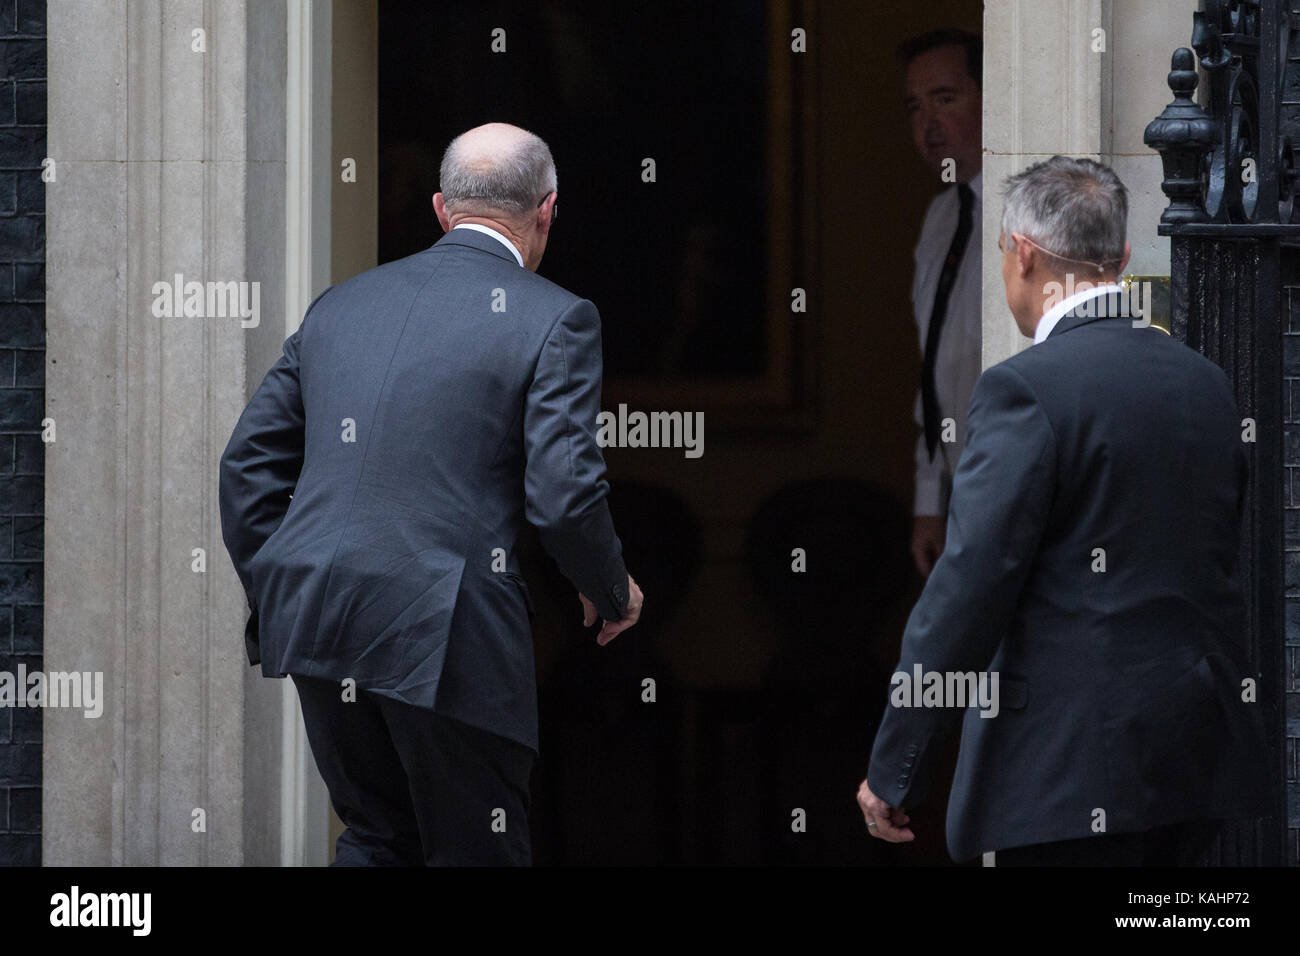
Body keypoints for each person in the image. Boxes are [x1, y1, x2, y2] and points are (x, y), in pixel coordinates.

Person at [219, 122, 643, 866]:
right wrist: (609, 589)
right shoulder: (559, 318)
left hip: (319, 619)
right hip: (446, 631)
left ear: (444, 209)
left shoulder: (340, 306)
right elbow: (565, 496)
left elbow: (247, 466)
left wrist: (289, 578)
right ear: (548, 210)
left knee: (378, 839)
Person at [856, 156, 1270, 865]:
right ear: (1123, 257)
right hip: (1193, 769)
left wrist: (899, 764)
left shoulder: (1023, 390)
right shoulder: (1206, 384)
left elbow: (966, 593)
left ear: (1022, 253)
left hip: (1062, 782)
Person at [898, 29, 985, 579]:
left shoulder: (1032, 210)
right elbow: (933, 368)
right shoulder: (939, 219)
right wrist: (929, 499)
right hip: (961, 495)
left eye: (945, 99)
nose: (927, 126)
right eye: (914, 107)